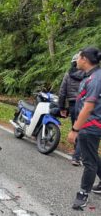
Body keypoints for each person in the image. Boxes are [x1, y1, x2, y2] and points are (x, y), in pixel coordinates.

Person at [69, 47, 101, 210]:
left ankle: (83, 194)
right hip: (92, 124)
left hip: (89, 125)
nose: (76, 60)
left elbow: (88, 107)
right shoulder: (92, 76)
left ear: (85, 59)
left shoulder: (95, 79)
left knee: (88, 161)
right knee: (92, 155)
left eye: (79, 57)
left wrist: (75, 130)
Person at [58, 54, 85, 166]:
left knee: (76, 128)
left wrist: (62, 107)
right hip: (85, 104)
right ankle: (77, 155)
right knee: (82, 130)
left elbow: (62, 92)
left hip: (73, 105)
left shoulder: (68, 74)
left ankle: (76, 156)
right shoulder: (89, 75)